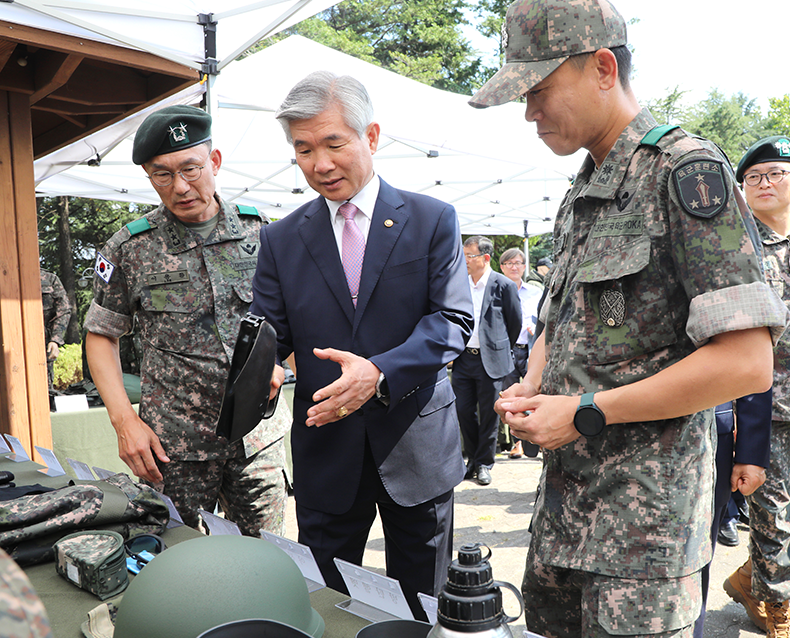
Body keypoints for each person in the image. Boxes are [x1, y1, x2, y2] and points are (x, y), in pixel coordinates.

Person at [470, 1, 788, 635]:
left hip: (644, 539)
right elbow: (570, 324)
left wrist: (586, 411)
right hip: (564, 515)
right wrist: (536, 382)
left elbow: (746, 363)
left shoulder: (685, 171)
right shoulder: (582, 192)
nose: (528, 111)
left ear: (603, 68)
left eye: (538, 90)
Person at [250, 70, 474, 619]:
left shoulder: (430, 220)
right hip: (327, 449)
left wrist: (378, 371)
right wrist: (260, 370)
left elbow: (452, 320)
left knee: (424, 604)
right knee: (324, 600)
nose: (319, 164)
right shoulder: (281, 239)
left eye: (333, 143)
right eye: (302, 149)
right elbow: (267, 334)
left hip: (416, 445)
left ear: (370, 137)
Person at [84, 105, 288, 537]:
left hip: (257, 440)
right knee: (178, 563)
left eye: (191, 169)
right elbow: (101, 335)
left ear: (213, 161)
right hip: (173, 448)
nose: (180, 187)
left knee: (270, 558)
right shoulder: (129, 248)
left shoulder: (264, 233)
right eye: (162, 174)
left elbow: (292, 318)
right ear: (148, 175)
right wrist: (125, 423)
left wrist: (280, 361)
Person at [724, 135, 790, 638]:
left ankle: (754, 578)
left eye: (776, 172)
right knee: (774, 514)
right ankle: (775, 604)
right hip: (766, 404)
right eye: (754, 177)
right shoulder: (733, 243)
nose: (765, 182)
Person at [452, 237, 520, 486]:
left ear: (485, 258)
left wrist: (499, 349)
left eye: (469, 256)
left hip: (491, 360)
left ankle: (484, 463)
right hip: (463, 359)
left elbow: (515, 323)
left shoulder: (503, 285)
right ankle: (471, 459)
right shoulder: (459, 284)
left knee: (490, 414)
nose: (465, 261)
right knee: (463, 411)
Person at [498, 247, 542, 460]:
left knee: (536, 393)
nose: (514, 267)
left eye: (518, 263)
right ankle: (518, 443)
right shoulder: (496, 290)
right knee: (512, 396)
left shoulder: (536, 292)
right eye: (509, 263)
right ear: (502, 267)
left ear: (525, 267)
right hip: (507, 350)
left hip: (532, 349)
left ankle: (537, 439)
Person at [40, 268, 71, 391]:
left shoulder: (49, 278)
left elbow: (63, 311)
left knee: (44, 392)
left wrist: (55, 340)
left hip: (42, 346)